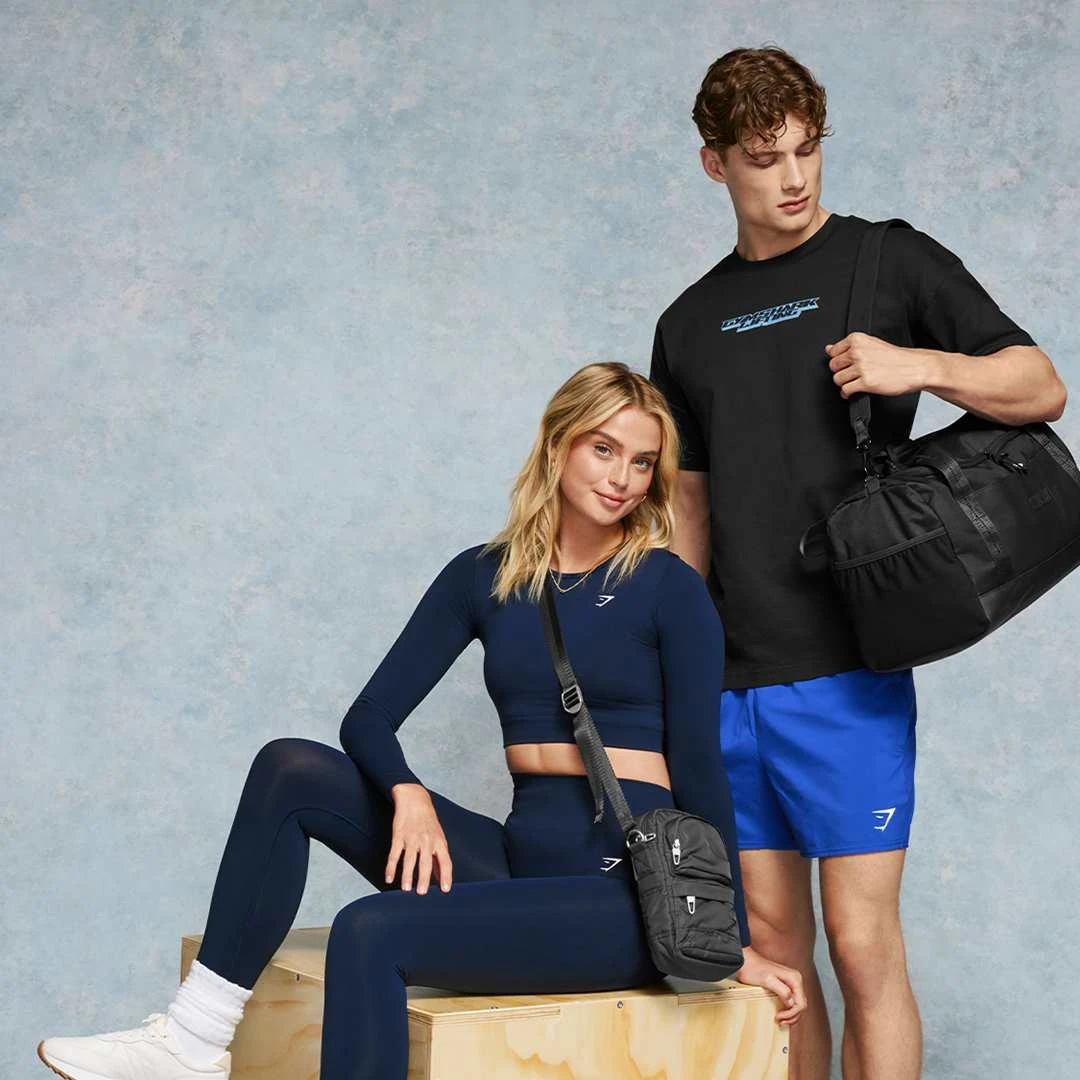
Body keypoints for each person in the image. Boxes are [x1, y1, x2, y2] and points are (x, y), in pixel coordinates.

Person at [38, 362, 807, 1080]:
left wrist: (729, 936)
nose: (622, 477)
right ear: (557, 445)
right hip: (518, 865)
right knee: (290, 768)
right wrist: (405, 790)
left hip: (622, 897)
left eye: (642, 462)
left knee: (371, 929)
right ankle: (194, 1039)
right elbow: (368, 717)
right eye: (604, 449)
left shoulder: (667, 588)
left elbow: (700, 766)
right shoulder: (485, 575)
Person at [648, 47, 1067, 1080]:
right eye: (764, 159)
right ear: (714, 164)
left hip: (847, 670)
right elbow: (689, 507)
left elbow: (1040, 386)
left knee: (861, 945)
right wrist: (673, 670)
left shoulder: (888, 259)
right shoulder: (686, 325)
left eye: (807, 150)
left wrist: (918, 365)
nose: (793, 178)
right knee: (774, 958)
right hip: (730, 682)